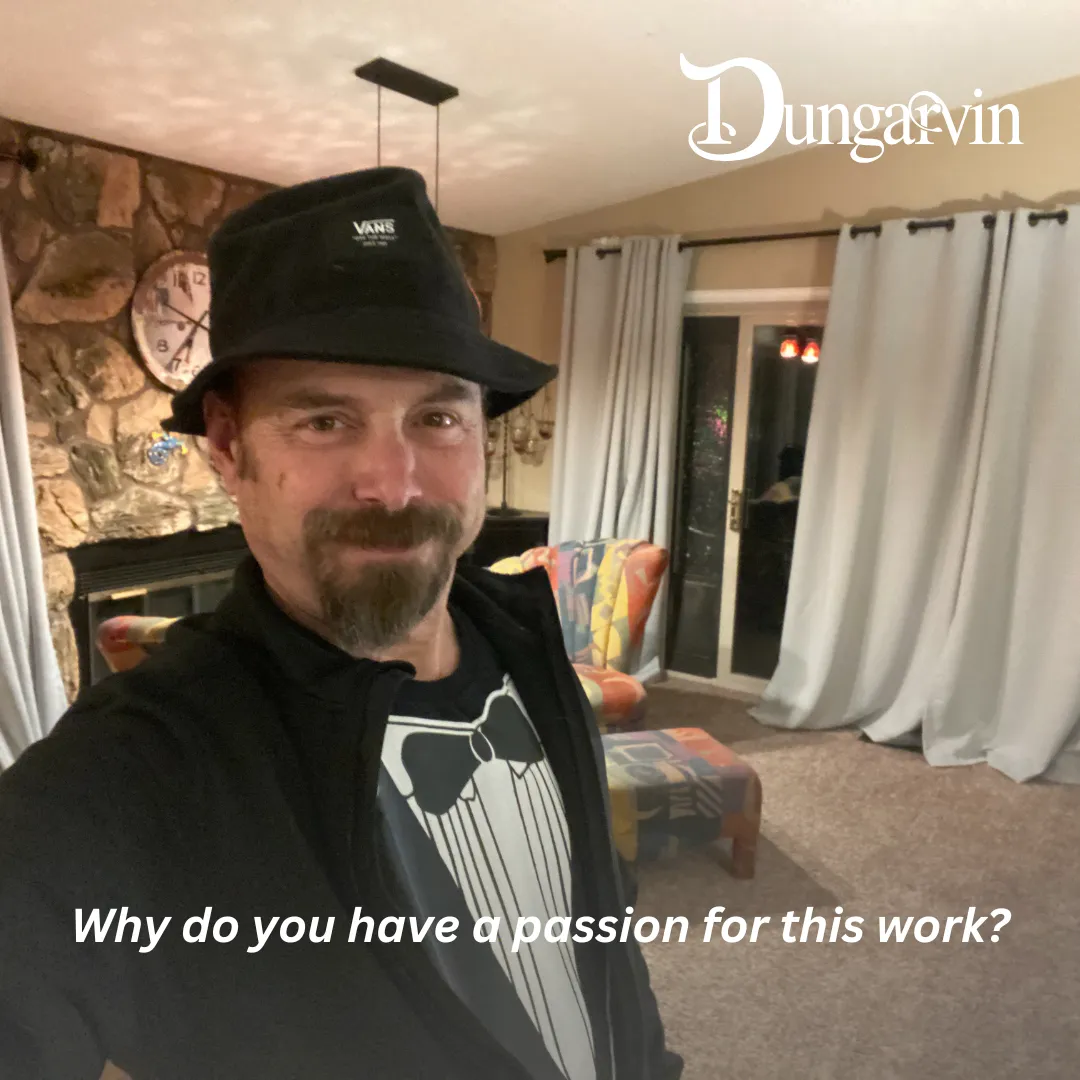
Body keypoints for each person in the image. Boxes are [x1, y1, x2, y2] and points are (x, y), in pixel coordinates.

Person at [0, 167, 682, 1080]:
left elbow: (598, 918)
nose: (393, 484)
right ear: (229, 448)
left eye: (437, 416)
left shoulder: (526, 634)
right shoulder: (137, 768)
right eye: (325, 420)